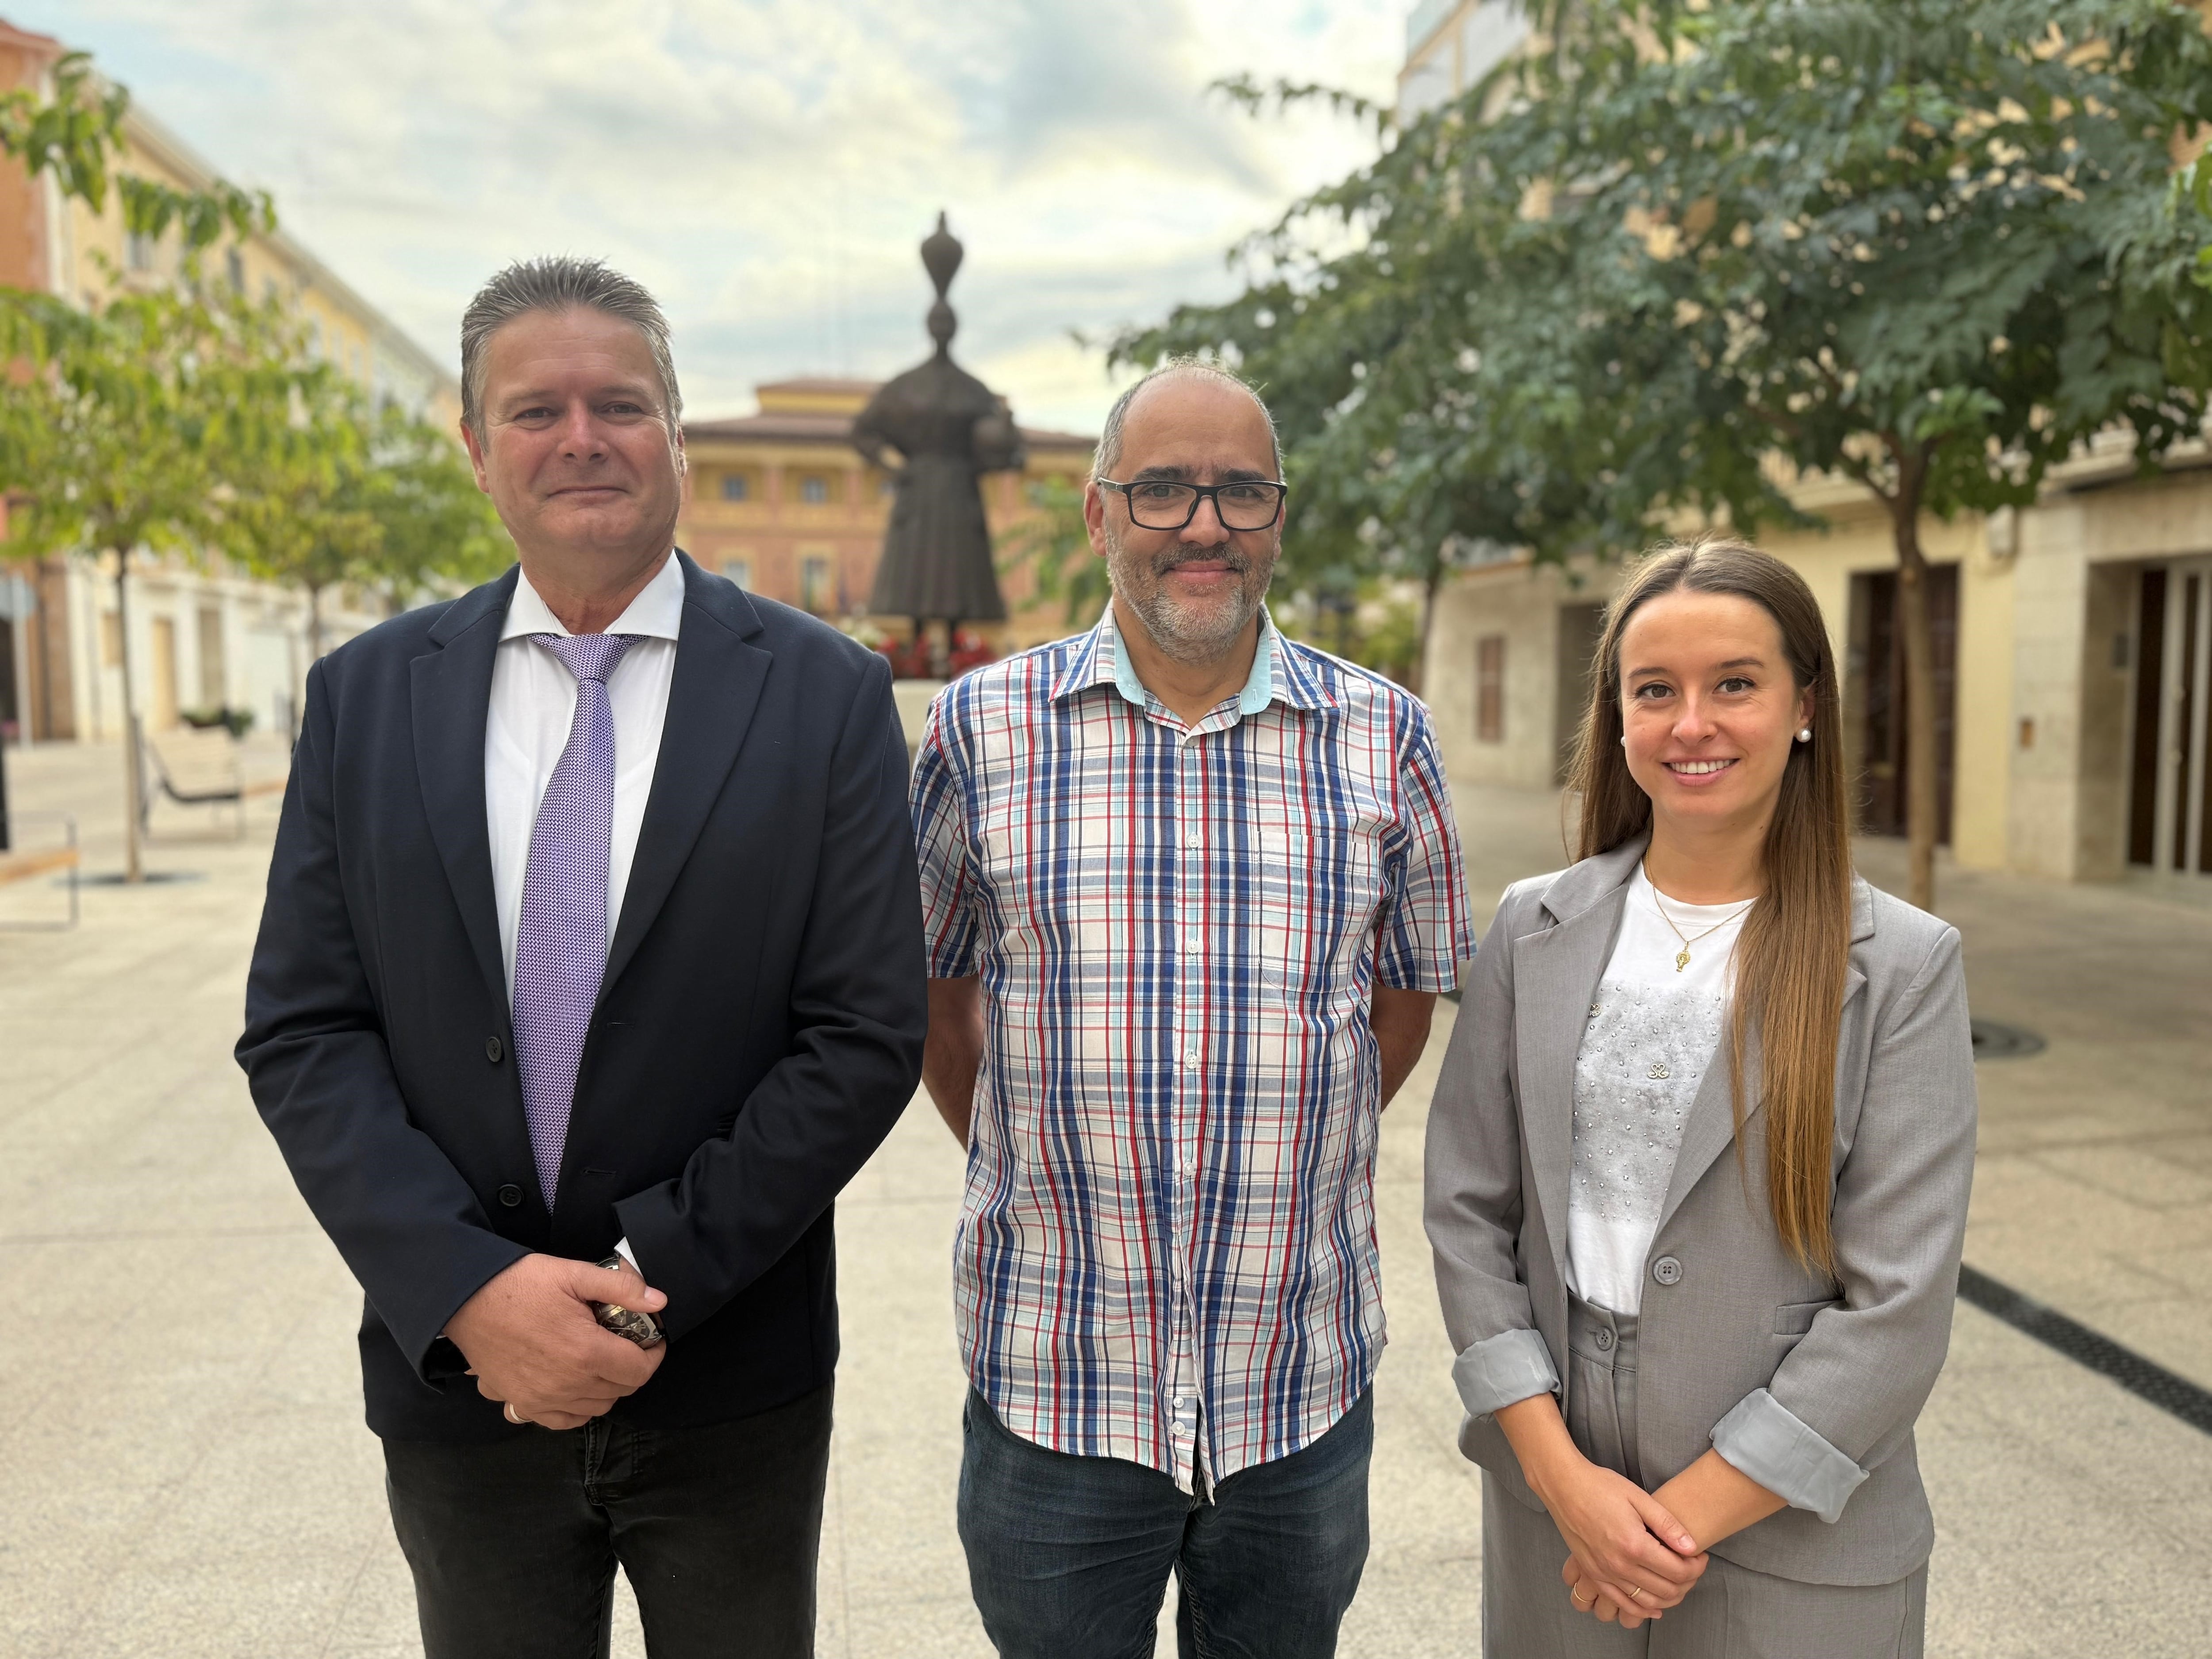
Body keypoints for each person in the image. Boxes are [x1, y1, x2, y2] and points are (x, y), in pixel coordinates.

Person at [236, 257, 926, 1659]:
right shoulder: (368, 696)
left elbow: (863, 1031)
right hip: (457, 1380)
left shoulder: (825, 692)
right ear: (477, 449)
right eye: (534, 408)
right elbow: (305, 1027)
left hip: (729, 1377)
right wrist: (473, 1291)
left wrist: (640, 1275)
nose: (581, 436)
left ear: (676, 430)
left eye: (620, 402)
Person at [910, 359, 1475, 1659]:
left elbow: (1400, 1001)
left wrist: (1293, 1129)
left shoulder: (1385, 734)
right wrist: (1042, 1155)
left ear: (1280, 518)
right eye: (1162, 487)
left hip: (1298, 1381)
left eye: (1240, 490)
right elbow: (938, 1002)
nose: (1204, 521)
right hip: (1056, 1380)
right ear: (1101, 515)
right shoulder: (980, 728)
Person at [1424, 537, 1976, 1655]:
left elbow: (1898, 1303)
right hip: (1557, 1507)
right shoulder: (1533, 930)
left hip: (1794, 1532)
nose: (1692, 724)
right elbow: (1467, 1216)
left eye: (1734, 684)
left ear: (1803, 704)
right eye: (1654, 691)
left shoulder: (1903, 964)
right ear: (1616, 717)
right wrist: (1562, 1479)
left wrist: (1669, 1529)